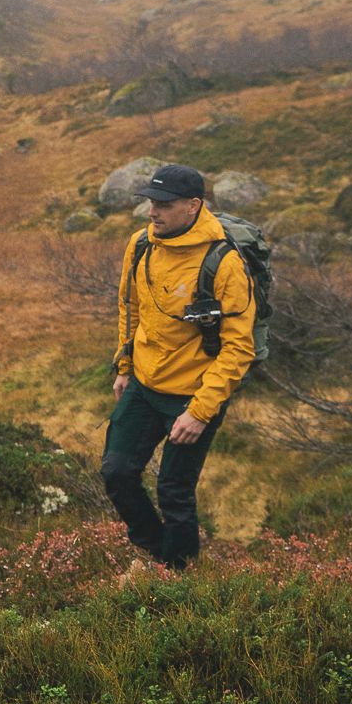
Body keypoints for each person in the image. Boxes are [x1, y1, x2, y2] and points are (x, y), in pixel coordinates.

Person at [103, 163, 257, 573]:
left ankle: (180, 575)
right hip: (144, 383)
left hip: (193, 395)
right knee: (116, 472)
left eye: (164, 204)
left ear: (193, 206)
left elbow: (239, 347)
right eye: (152, 202)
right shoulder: (140, 245)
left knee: (174, 490)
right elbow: (129, 308)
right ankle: (157, 555)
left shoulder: (223, 262)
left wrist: (200, 411)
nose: (153, 212)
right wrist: (124, 366)